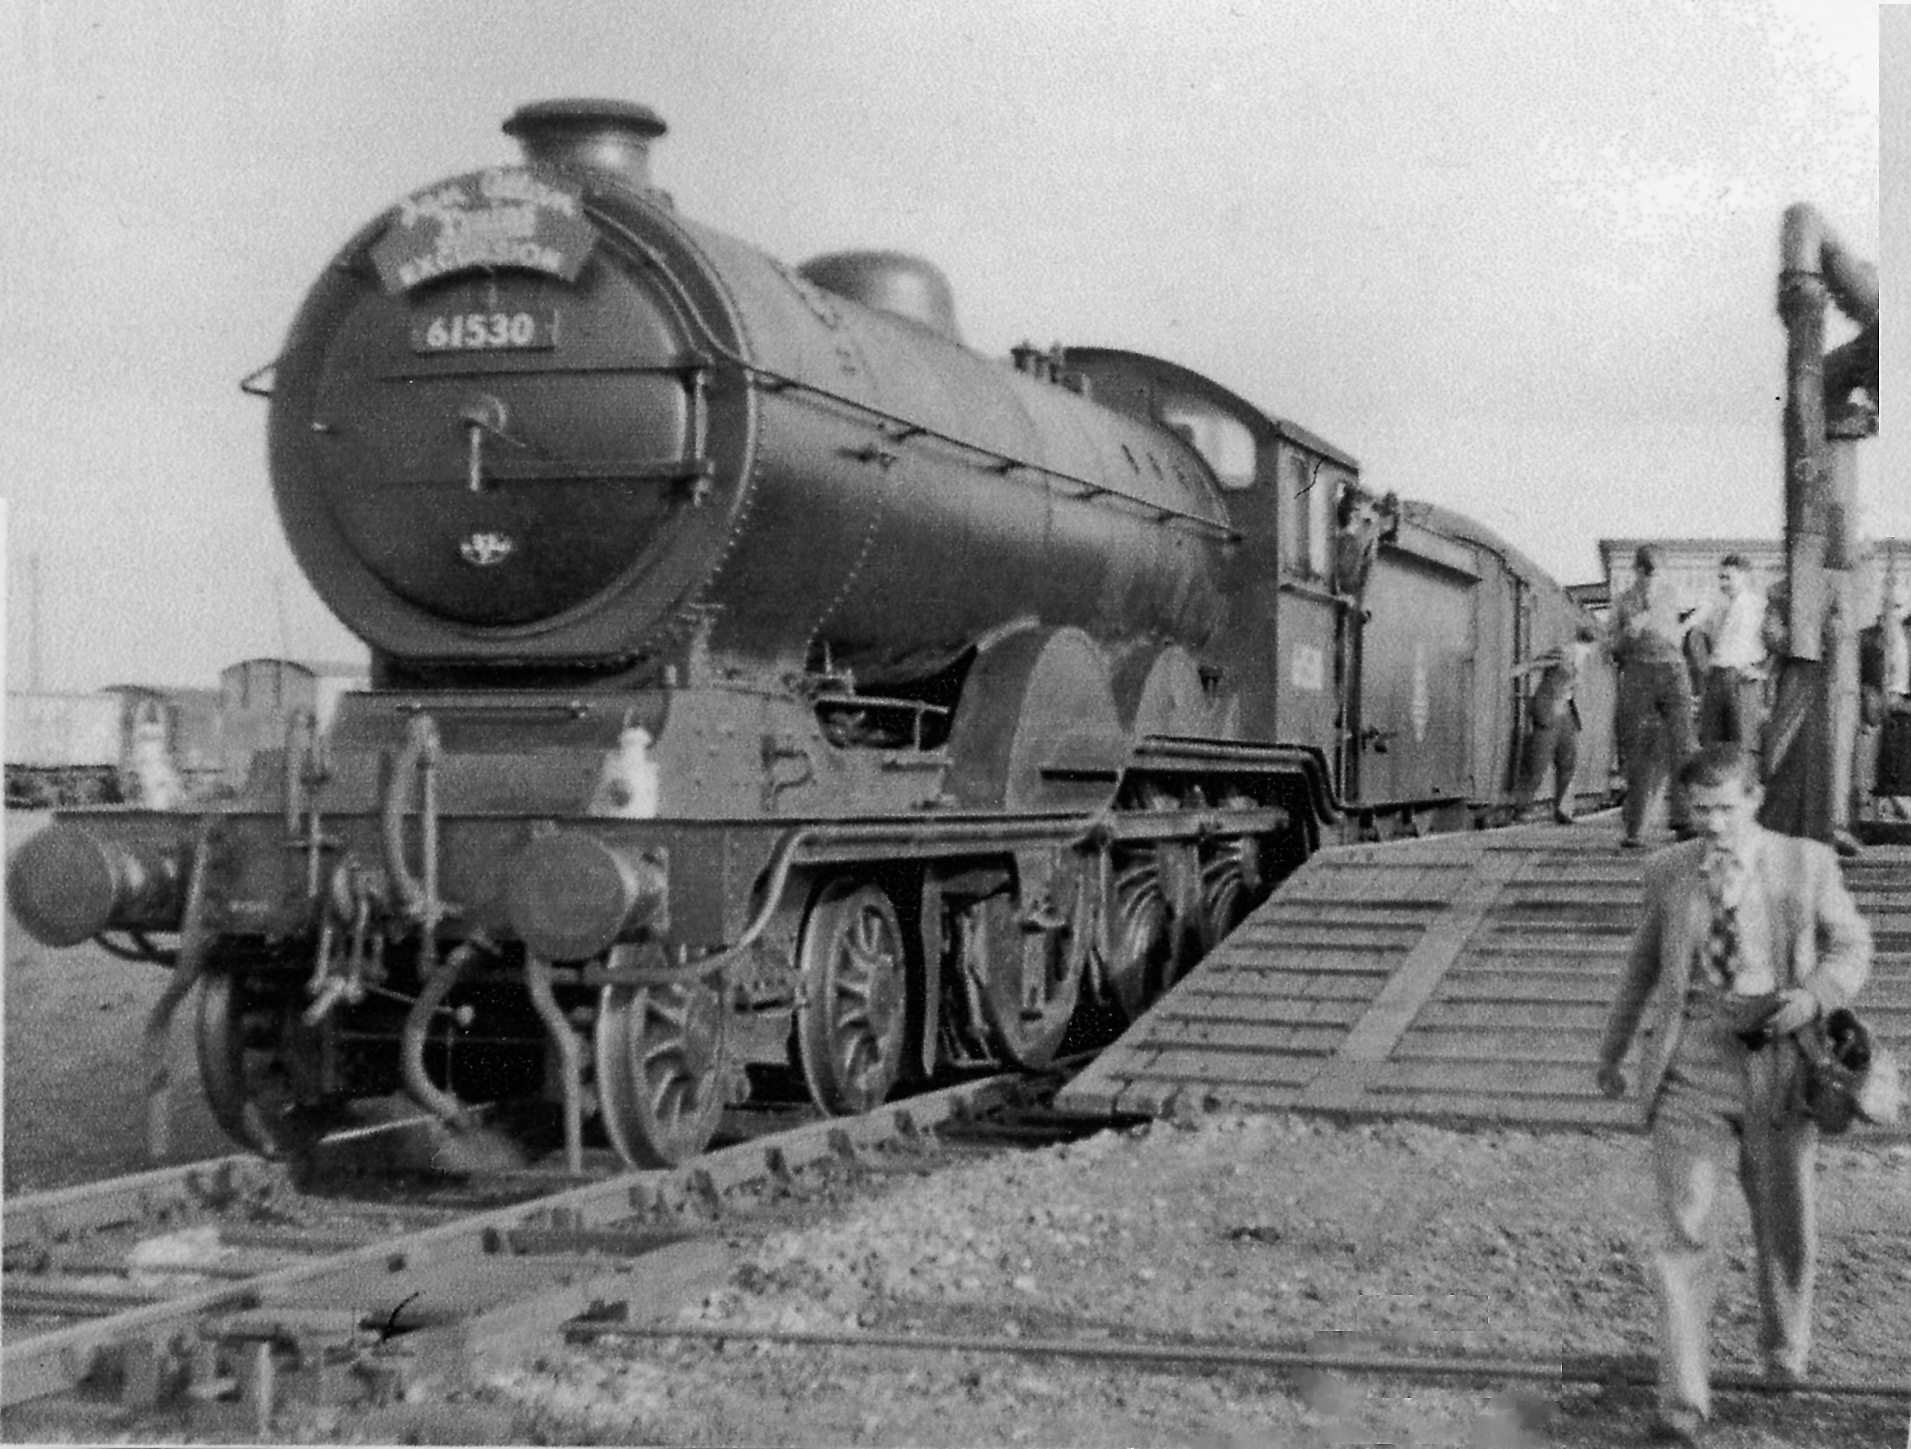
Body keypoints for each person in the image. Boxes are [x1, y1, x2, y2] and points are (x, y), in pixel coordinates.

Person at [1595, 745, 1872, 1445]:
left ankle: (1783, 1351)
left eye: (1724, 808)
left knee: (1784, 1223)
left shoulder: (1804, 863)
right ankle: (1680, 1405)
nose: (1712, 824)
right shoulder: (1666, 870)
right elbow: (1641, 966)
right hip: (1690, 1060)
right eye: (1698, 811)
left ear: (1753, 799)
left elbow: (1851, 946)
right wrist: (1613, 1049)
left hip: (1779, 1061)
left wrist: (1812, 997)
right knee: (1684, 1232)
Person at [1610, 545, 1697, 847]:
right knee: (1637, 751)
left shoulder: (1675, 595)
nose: (1651, 580)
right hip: (1638, 673)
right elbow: (1612, 647)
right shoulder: (1623, 601)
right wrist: (1627, 635)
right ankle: (1635, 827)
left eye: (1656, 573)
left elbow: (1700, 619)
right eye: (1645, 573)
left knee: (1683, 746)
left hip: (1674, 671)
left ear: (1664, 572)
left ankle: (1684, 820)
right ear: (1636, 571)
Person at [1512, 624, 1598, 824]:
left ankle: (1563, 810)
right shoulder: (1564, 651)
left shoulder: (1581, 657)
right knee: (1538, 762)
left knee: (1568, 762)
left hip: (1566, 713)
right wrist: (1515, 672)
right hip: (1549, 712)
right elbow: (1533, 664)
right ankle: (1521, 808)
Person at [1689, 554, 1771, 764]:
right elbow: (1695, 634)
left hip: (1743, 677)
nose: (1723, 583)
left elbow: (1774, 640)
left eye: (1728, 577)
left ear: (1744, 576)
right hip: (1716, 675)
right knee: (1712, 739)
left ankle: (1744, 793)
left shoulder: (1759, 606)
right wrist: (1704, 665)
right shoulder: (1717, 607)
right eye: (1721, 578)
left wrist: (1762, 670)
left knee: (1744, 740)